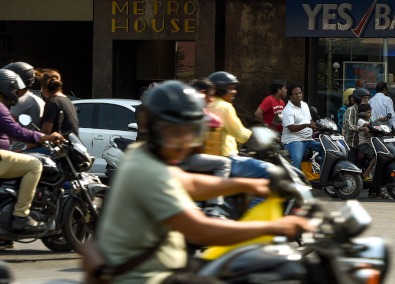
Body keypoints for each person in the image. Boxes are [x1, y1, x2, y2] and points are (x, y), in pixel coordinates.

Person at [97, 80, 311, 284]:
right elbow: (201, 231)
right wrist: (275, 227)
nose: (188, 141)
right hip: (152, 277)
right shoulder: (149, 170)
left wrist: (249, 185)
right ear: (159, 128)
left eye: (193, 131)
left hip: (169, 265)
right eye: (181, 131)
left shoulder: (144, 155)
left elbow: (190, 184)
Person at [0, 69, 63, 231]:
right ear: (6, 87)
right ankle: (20, 216)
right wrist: (46, 137)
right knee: (34, 165)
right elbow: (16, 132)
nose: (17, 92)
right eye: (14, 88)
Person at [204, 71, 270, 179]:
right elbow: (240, 134)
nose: (234, 92)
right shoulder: (224, 107)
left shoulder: (206, 105)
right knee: (269, 170)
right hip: (227, 158)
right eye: (230, 88)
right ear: (220, 89)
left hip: (209, 160)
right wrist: (259, 137)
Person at [281, 82, 324, 169]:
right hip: (294, 140)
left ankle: (322, 173)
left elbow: (309, 119)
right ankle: (295, 177)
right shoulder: (288, 110)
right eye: (296, 94)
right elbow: (291, 128)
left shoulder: (304, 105)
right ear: (290, 96)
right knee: (297, 159)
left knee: (326, 149)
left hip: (308, 139)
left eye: (300, 93)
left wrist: (314, 124)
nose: (299, 95)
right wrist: (307, 125)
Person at [39, 70, 80, 138]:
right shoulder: (67, 100)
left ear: (43, 85)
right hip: (71, 143)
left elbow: (45, 133)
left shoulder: (52, 101)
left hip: (59, 143)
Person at [343, 87, 370, 154]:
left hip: (363, 142)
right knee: (351, 160)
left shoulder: (366, 110)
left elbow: (371, 120)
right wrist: (360, 128)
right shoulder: (350, 110)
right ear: (358, 98)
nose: (366, 100)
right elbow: (349, 125)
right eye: (364, 98)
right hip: (351, 143)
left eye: (367, 98)